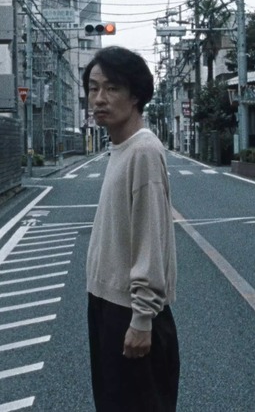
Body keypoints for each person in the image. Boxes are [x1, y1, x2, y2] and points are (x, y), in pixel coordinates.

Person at [83, 46, 179, 412]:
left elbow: (150, 240)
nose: (99, 99)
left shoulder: (143, 152)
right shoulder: (121, 148)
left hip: (132, 314)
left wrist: (142, 319)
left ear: (136, 94)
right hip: (108, 306)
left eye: (112, 88)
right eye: (93, 88)